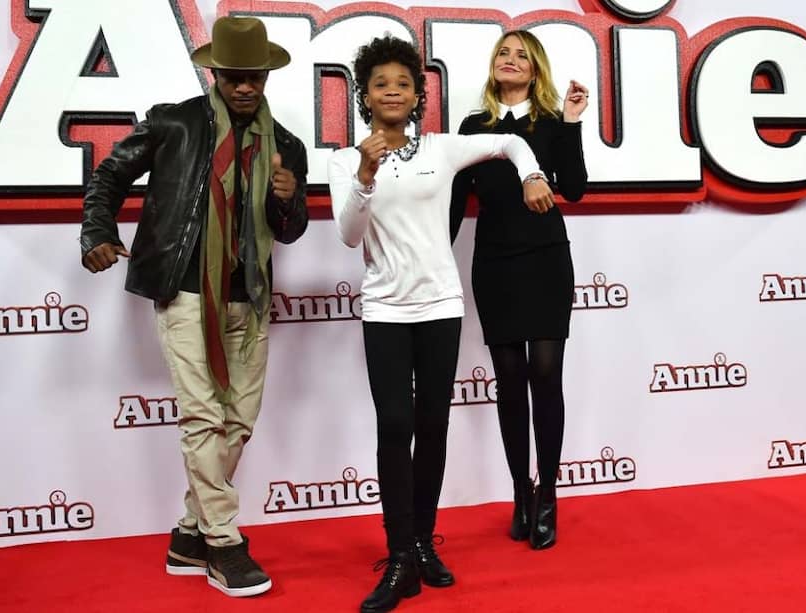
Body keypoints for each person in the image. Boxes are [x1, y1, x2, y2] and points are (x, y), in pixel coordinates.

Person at [80, 16, 308, 598]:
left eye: (253, 76)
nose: (244, 87)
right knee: (203, 417)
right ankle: (225, 542)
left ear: (264, 76)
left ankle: (189, 533)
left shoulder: (284, 145)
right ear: (216, 73)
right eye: (234, 76)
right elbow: (109, 175)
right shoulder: (174, 122)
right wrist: (97, 230)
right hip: (184, 291)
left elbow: (289, 231)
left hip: (249, 298)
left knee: (238, 422)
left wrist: (287, 201)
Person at [328, 35, 554, 613]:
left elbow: (507, 140)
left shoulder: (442, 149)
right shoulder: (346, 159)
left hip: (440, 307)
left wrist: (531, 175)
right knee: (394, 425)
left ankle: (424, 545)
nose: (394, 91)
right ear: (367, 96)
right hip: (384, 308)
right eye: (382, 84)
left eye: (404, 83)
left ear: (417, 95)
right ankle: (399, 555)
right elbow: (350, 234)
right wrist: (365, 172)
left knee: (432, 427)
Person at [450, 30, 588, 550]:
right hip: (495, 264)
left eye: (521, 56)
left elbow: (573, 187)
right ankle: (520, 494)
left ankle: (549, 494)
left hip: (545, 260)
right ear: (494, 66)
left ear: (535, 70)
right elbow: (454, 201)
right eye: (503, 54)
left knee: (545, 375)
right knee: (509, 379)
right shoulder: (471, 128)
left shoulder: (552, 124)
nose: (510, 61)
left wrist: (573, 124)